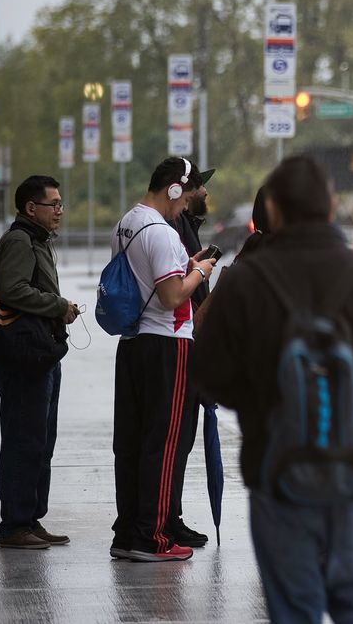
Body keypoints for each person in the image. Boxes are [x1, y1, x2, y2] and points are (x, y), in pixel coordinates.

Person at [190, 155, 353, 622]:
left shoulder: (244, 283)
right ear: (330, 208)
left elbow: (207, 376)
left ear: (274, 213)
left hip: (276, 469)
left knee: (293, 608)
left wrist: (267, 397)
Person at [109, 157, 216, 562]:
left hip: (133, 342)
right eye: (185, 196)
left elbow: (143, 277)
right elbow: (172, 297)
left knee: (132, 442)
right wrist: (201, 271)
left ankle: (128, 531)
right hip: (168, 344)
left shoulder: (127, 223)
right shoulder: (163, 232)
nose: (186, 206)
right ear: (174, 188)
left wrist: (185, 266)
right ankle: (153, 537)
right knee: (164, 442)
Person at [0, 175, 79, 549]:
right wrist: (59, 306)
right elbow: (12, 290)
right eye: (53, 204)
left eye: (60, 204)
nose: (59, 210)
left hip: (41, 353)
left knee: (42, 440)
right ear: (31, 208)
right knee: (24, 439)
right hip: (23, 357)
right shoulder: (19, 240)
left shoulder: (37, 240)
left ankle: (30, 518)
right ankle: (14, 525)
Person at [165, 165, 215, 549]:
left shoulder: (187, 223)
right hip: (179, 337)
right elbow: (178, 289)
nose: (205, 194)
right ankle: (165, 518)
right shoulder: (176, 225)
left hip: (189, 335)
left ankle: (170, 515)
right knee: (174, 436)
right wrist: (202, 272)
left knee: (182, 437)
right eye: (200, 188)